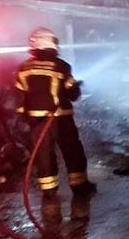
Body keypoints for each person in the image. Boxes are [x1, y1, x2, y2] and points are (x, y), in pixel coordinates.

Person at [16, 27, 94, 196]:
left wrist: (25, 118)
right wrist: (77, 87)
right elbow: (72, 95)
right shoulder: (61, 67)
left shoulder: (23, 68)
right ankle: (80, 186)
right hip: (61, 118)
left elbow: (19, 96)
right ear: (50, 43)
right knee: (72, 151)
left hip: (37, 122)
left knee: (43, 156)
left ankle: (49, 192)